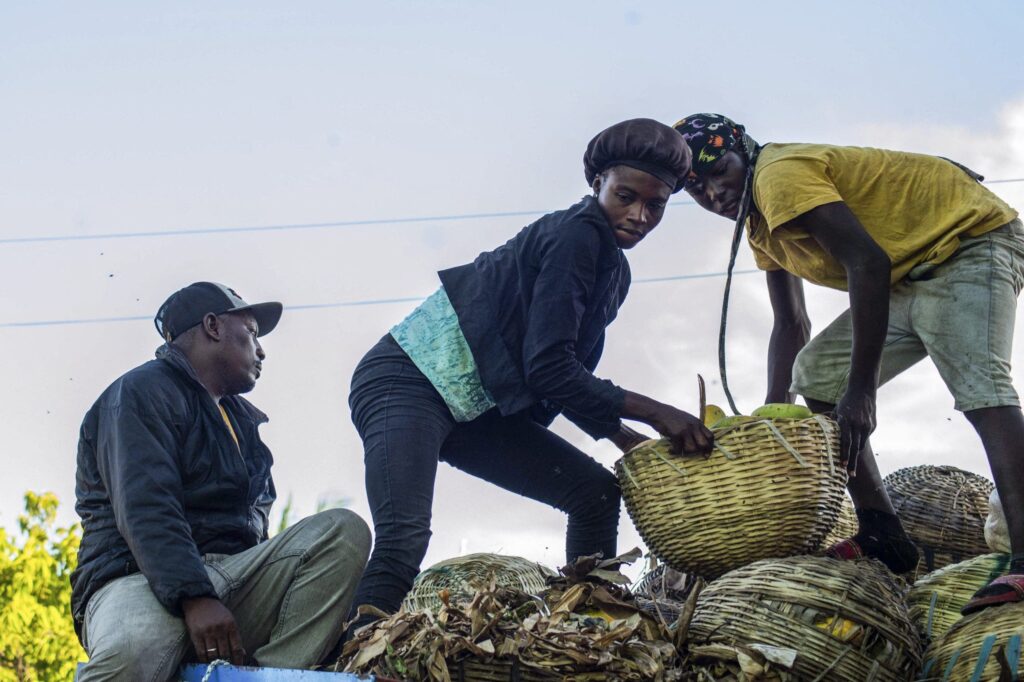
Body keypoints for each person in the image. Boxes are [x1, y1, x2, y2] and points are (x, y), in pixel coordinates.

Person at [346, 118, 712, 634]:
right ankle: (347, 658)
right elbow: (549, 369)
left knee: (594, 494)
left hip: (477, 405)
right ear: (597, 184)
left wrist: (621, 435)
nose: (638, 216)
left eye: (656, 206)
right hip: (408, 380)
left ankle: (588, 634)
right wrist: (658, 413)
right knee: (404, 536)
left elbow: (565, 370)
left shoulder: (615, 270)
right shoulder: (576, 235)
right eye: (626, 196)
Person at [673, 112, 1024, 614]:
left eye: (718, 171)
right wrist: (773, 419)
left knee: (981, 387)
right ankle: (883, 531)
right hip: (909, 271)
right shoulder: (760, 228)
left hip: (968, 242)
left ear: (743, 150)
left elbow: (867, 262)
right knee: (816, 374)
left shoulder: (777, 177)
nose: (712, 192)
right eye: (697, 188)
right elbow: (792, 324)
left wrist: (862, 391)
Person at [71, 282, 371, 680]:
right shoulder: (140, 392)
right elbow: (146, 507)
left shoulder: (245, 425)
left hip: (231, 581)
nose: (261, 350)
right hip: (137, 576)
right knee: (133, 652)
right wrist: (196, 598)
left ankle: (267, 675)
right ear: (212, 326)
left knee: (342, 531)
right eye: (251, 333)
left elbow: (254, 535)